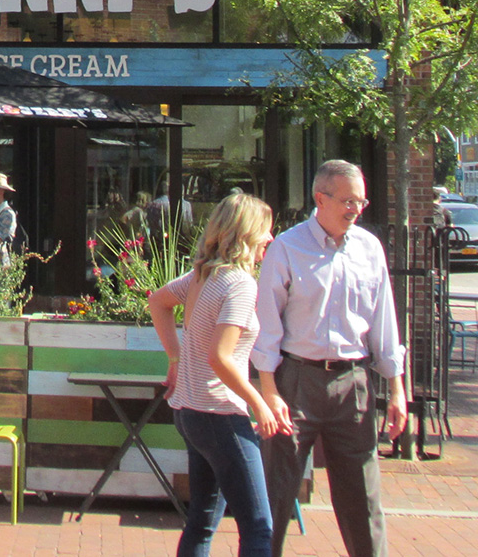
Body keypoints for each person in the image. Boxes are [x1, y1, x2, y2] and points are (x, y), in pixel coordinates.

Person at [252, 159, 407, 557]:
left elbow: (383, 322)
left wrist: (396, 389)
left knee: (363, 498)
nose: (356, 209)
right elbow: (267, 326)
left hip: (353, 382)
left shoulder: (369, 249)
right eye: (348, 201)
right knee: (276, 492)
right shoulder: (287, 248)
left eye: (361, 201)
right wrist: (269, 392)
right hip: (296, 381)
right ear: (320, 199)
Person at [149, 193, 279, 557]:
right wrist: (259, 403)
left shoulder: (203, 275)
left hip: (191, 413)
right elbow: (220, 357)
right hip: (220, 414)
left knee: (202, 522)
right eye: (265, 230)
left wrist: (175, 358)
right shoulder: (239, 283)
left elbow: (157, 301)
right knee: (258, 527)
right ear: (247, 232)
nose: (270, 238)